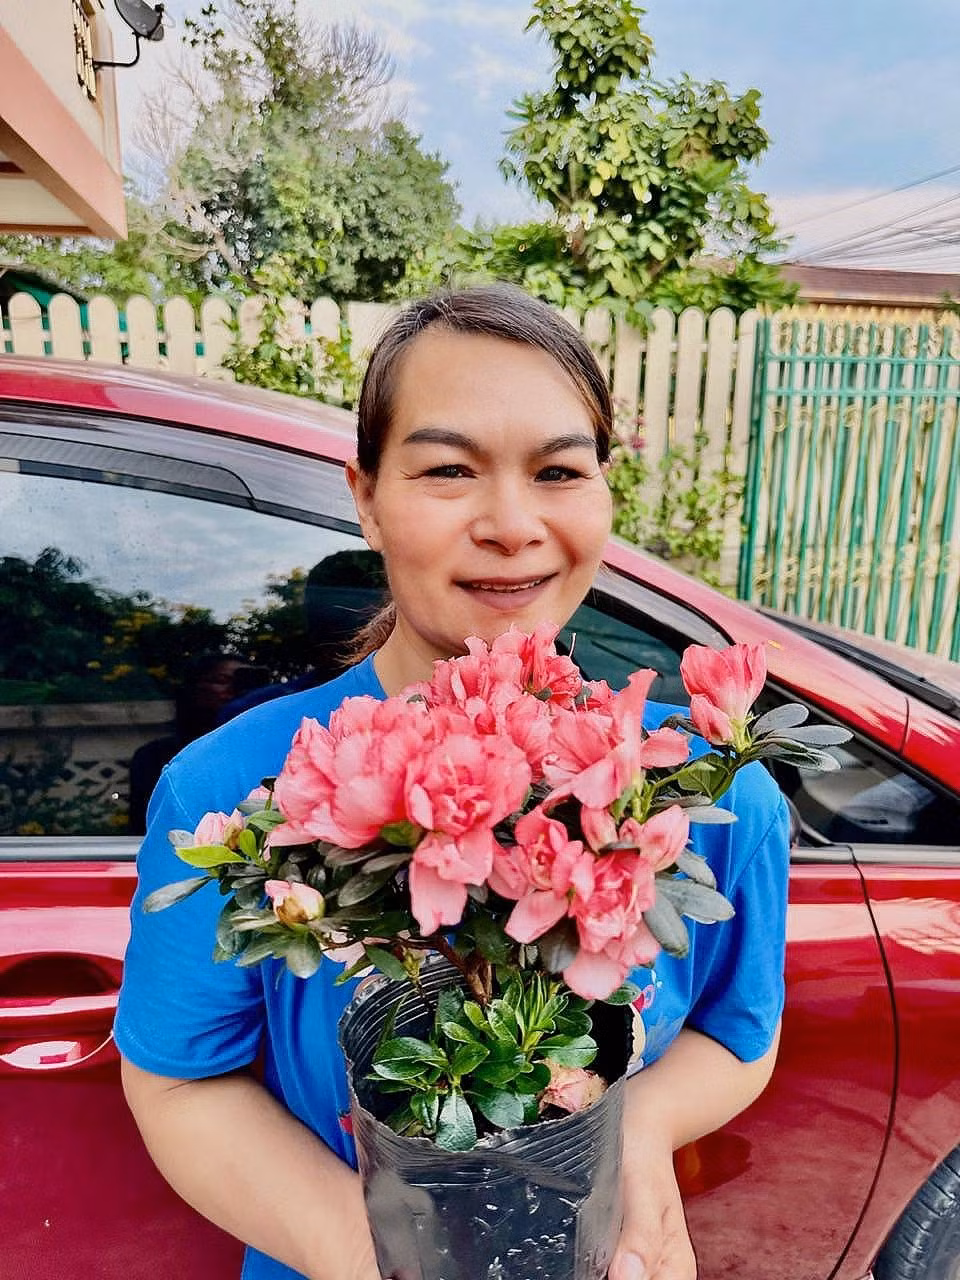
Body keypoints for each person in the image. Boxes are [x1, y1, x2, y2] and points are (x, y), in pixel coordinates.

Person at [114, 283, 789, 1280]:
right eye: (447, 469)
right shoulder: (233, 790)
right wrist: (379, 1254)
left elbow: (740, 1034)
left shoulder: (703, 793)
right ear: (366, 497)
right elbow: (179, 1081)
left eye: (559, 470)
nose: (512, 524)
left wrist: (638, 1128)